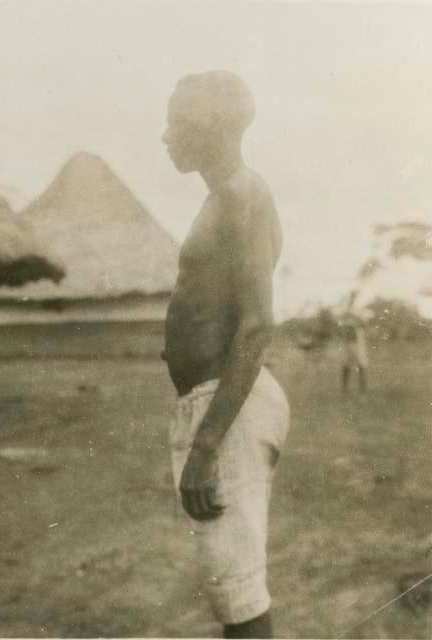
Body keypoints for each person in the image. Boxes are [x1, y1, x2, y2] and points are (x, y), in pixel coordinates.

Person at [162, 71, 290, 639]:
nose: (165, 135)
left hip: (227, 409)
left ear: (211, 125)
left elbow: (258, 324)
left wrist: (206, 446)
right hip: (213, 402)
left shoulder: (244, 194)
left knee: (240, 599)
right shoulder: (224, 198)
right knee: (229, 592)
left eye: (176, 120)